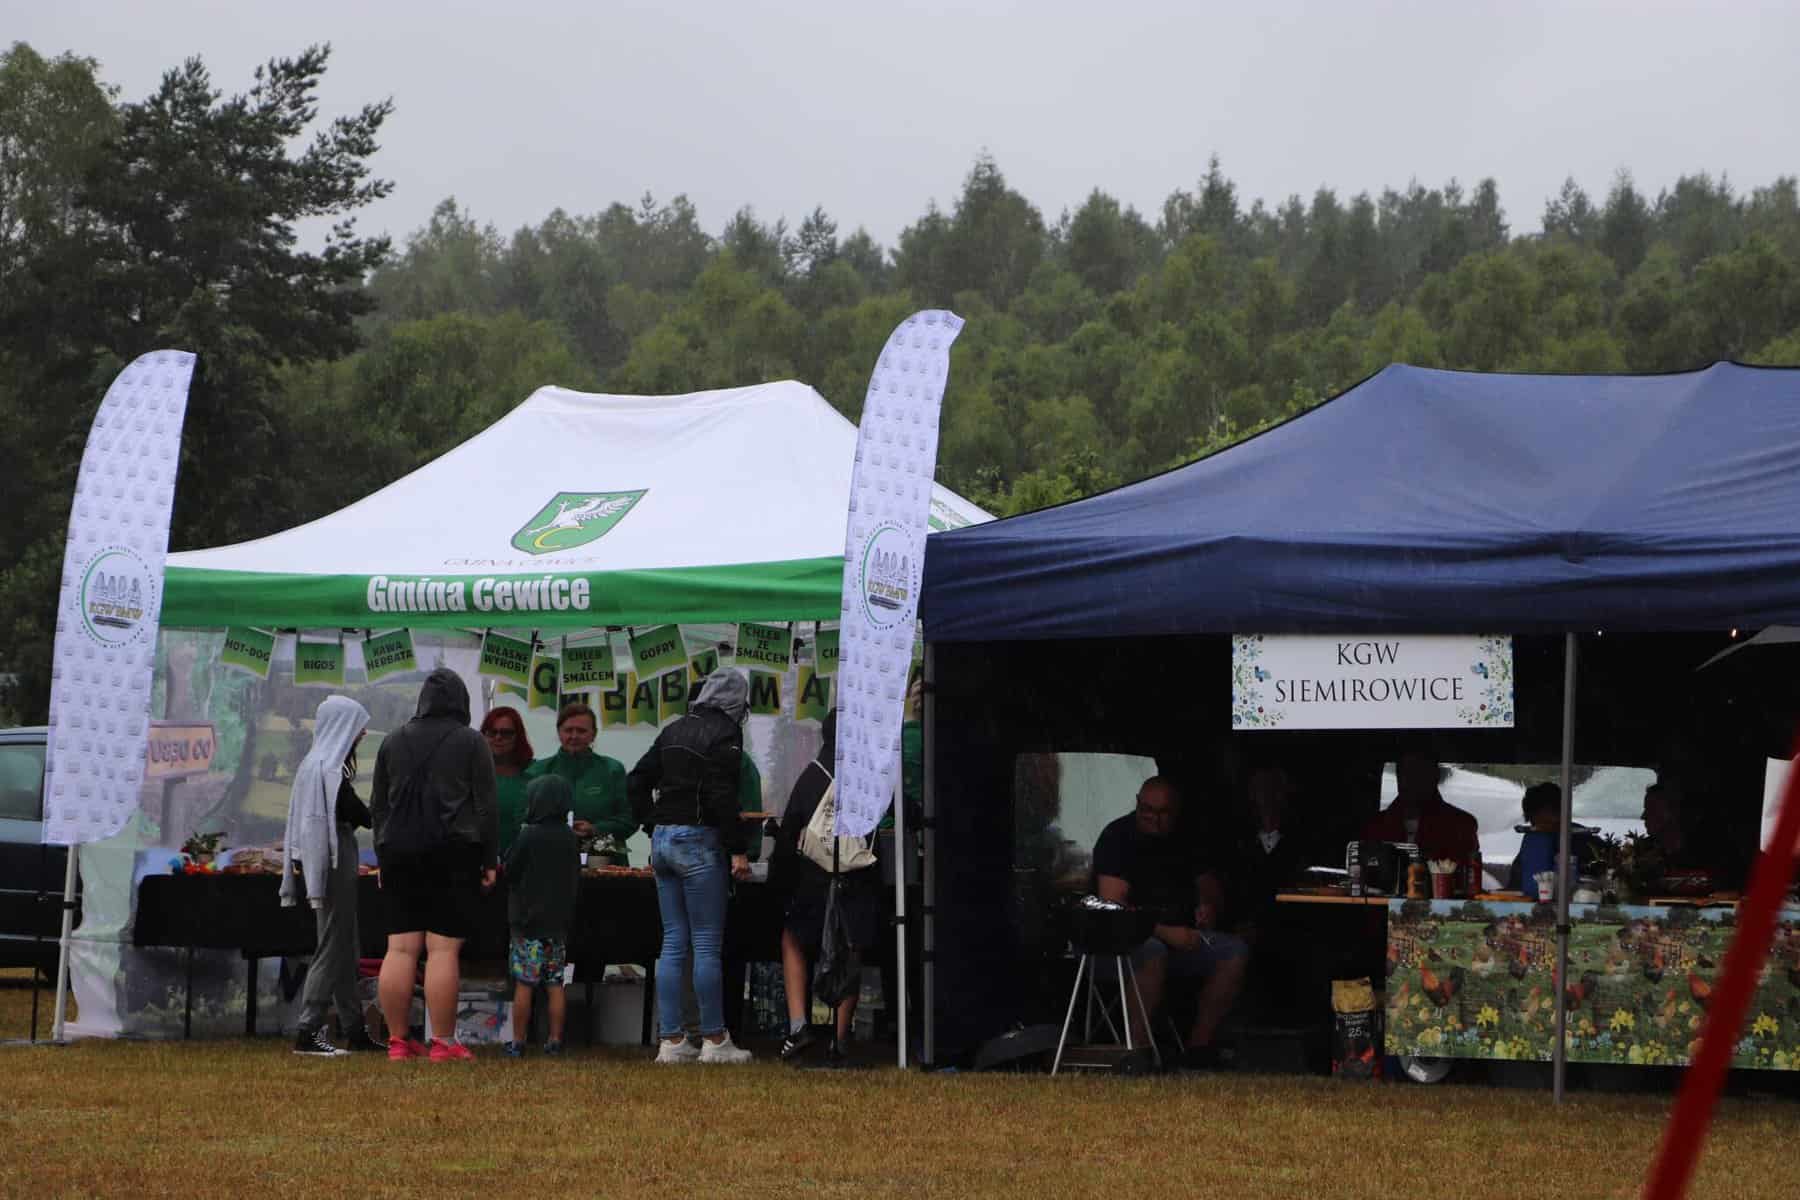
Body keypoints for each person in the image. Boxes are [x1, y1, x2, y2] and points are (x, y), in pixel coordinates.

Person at [627, 669, 754, 1064]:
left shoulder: (674, 729)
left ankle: (672, 1041)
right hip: (699, 842)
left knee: (672, 942)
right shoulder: (726, 734)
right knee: (706, 944)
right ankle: (714, 1040)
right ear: (736, 702)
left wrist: (652, 823)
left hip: (663, 841)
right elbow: (721, 795)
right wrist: (738, 849)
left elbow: (635, 781)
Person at [371, 668, 498, 1063]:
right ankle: (443, 1043)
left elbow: (379, 807)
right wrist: (488, 858)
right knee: (442, 950)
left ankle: (397, 1042)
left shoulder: (392, 740)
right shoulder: (471, 741)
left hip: (398, 852)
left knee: (400, 948)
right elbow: (485, 806)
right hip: (453, 852)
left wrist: (382, 856)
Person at [1093, 776, 1249, 1069]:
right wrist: (1166, 933)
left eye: (1162, 812)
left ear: (1176, 811)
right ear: (1137, 803)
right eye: (1146, 810)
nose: (1153, 818)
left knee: (1233, 951)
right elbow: (1113, 908)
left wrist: (1207, 906)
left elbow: (1207, 884)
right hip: (1120, 946)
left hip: (1181, 939)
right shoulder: (1117, 837)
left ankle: (1198, 1050)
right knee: (1152, 950)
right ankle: (1136, 1054)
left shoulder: (1187, 837)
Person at [771, 708, 881, 1067]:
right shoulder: (869, 778)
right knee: (851, 951)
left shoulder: (812, 776)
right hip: (858, 882)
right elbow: (904, 814)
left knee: (794, 940)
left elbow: (788, 835)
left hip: (813, 884)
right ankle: (839, 1039)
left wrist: (778, 883)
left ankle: (799, 1026)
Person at [280, 694, 384, 1056]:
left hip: (327, 858)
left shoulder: (315, 765)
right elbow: (361, 815)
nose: (363, 734)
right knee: (332, 943)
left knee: (343, 945)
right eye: (358, 728)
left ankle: (354, 1028)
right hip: (335, 858)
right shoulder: (329, 772)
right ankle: (308, 1029)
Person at [502, 774, 581, 1058]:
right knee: (555, 983)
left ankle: (518, 1042)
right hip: (557, 925)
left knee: (525, 983)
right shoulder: (570, 838)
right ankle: (555, 1040)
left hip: (527, 924)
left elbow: (510, 870)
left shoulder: (529, 835)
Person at [527, 702, 631, 864]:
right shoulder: (537, 771)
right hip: (551, 864)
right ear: (559, 732)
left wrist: (596, 829)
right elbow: (523, 819)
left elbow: (629, 819)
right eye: (568, 730)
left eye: (581, 731)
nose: (574, 736)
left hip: (605, 865)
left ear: (593, 734)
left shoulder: (612, 770)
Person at [1362, 751, 1482, 868]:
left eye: (1418, 772)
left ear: (1435, 776)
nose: (1409, 780)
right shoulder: (1376, 826)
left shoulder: (1462, 826)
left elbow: (1468, 875)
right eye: (1404, 772)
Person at [482, 706, 536, 857]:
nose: (498, 737)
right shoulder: (470, 775)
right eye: (492, 732)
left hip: (523, 861)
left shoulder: (533, 776)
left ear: (518, 737)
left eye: (506, 733)